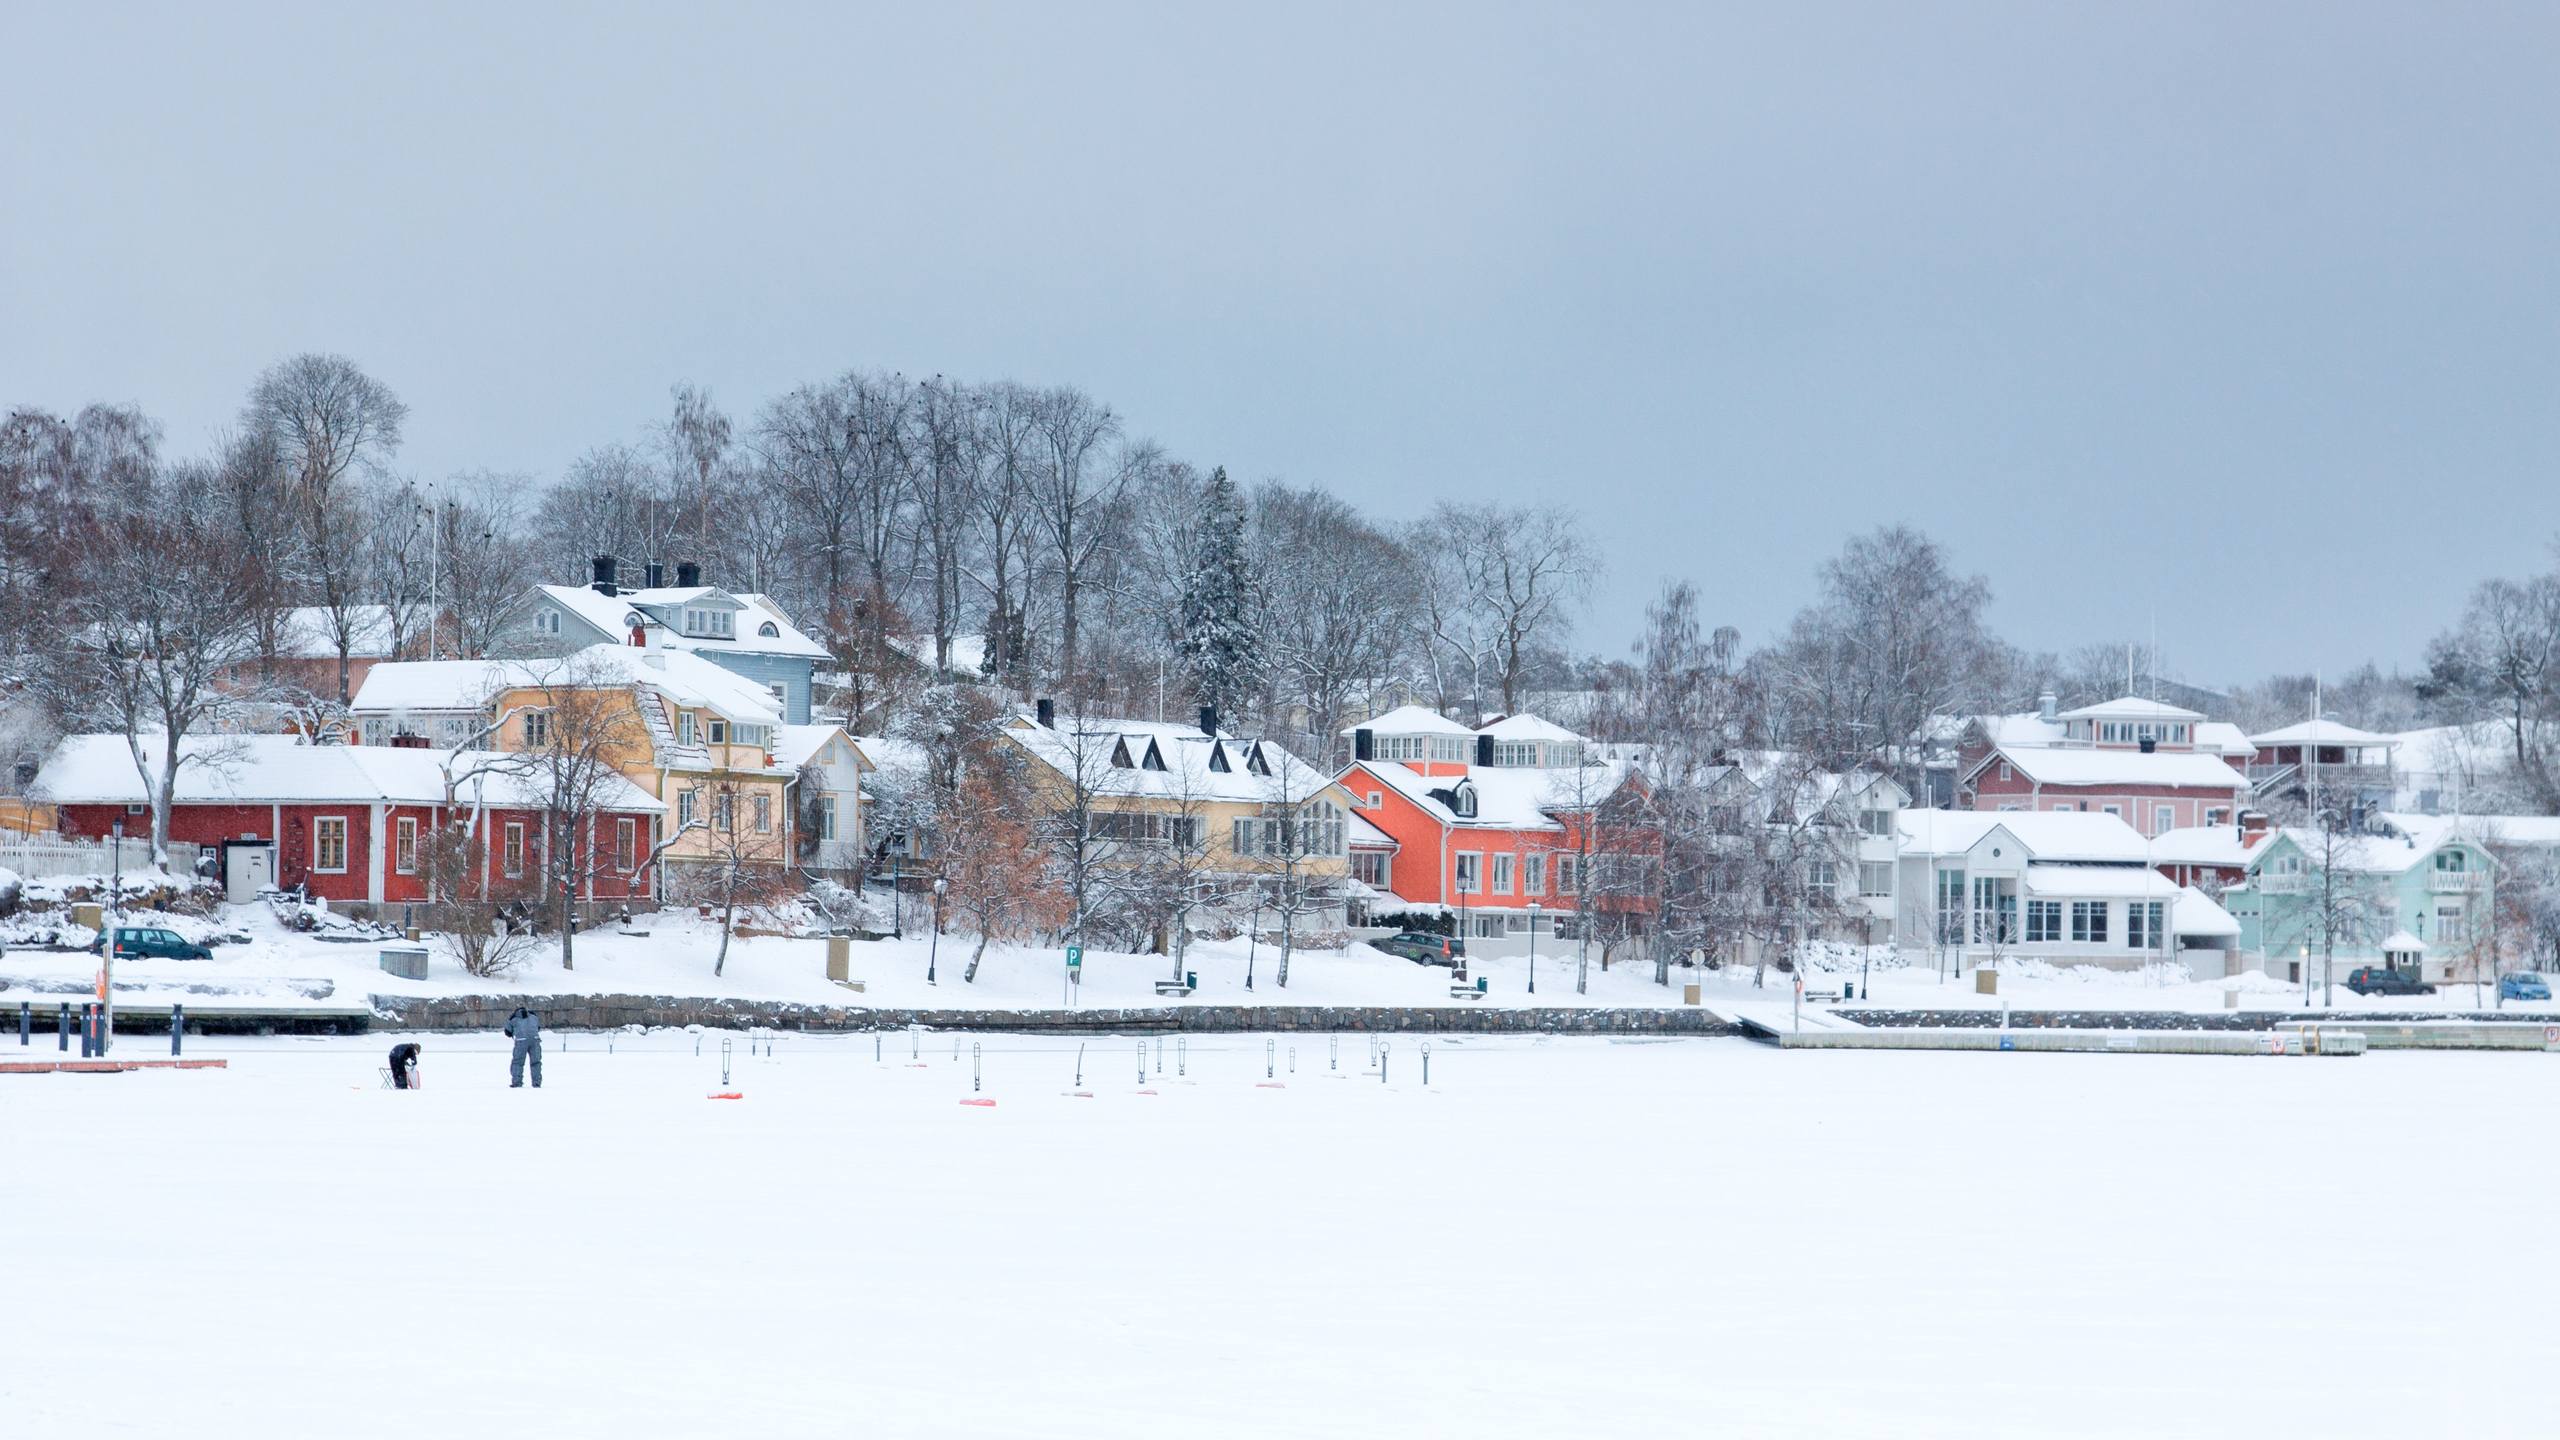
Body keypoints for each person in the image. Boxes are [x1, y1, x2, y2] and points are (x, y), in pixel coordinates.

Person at [503, 1006, 543, 1088]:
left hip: (521, 1041)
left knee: (518, 1062)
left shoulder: (513, 1018)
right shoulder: (534, 1016)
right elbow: (538, 1027)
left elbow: (507, 1032)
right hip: (535, 1040)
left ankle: (517, 1082)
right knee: (536, 1062)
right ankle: (537, 1082)